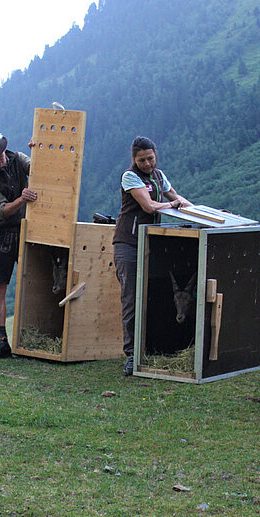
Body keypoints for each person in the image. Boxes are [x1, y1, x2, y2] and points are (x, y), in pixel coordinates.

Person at [112, 136, 191, 376]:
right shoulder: (130, 177)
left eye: (151, 158)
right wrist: (174, 205)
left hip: (149, 242)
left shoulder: (159, 176)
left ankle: (155, 347)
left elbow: (179, 199)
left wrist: (204, 212)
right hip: (128, 243)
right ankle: (131, 355)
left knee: (154, 294)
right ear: (134, 159)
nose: (147, 164)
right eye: (142, 160)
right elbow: (148, 206)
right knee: (130, 298)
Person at [0, 129, 37, 359]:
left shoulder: (18, 158)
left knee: (33, 281)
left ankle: (33, 337)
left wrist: (38, 152)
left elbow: (39, 169)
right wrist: (22, 198)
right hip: (2, 233)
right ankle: (1, 340)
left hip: (27, 228)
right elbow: (1, 211)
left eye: (0, 154)